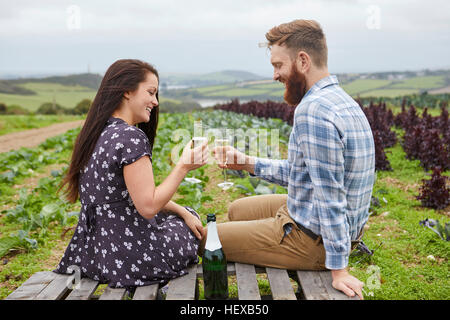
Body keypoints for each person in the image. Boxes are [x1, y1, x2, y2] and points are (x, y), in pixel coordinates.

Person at [209, 20, 375, 300]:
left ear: (302, 60)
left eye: (278, 65)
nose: (275, 75)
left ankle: (294, 247)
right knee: (237, 209)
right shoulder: (339, 99)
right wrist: (247, 162)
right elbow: (304, 173)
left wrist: (339, 270)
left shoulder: (313, 111)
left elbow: (329, 196)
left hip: (313, 241)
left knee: (206, 241)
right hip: (315, 217)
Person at [55, 59, 208, 289]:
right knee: (189, 224)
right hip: (130, 257)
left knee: (184, 214)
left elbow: (129, 196)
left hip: (94, 254)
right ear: (127, 91)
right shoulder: (130, 137)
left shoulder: (97, 132)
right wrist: (183, 166)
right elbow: (147, 206)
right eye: (151, 92)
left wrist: (181, 211)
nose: (155, 102)